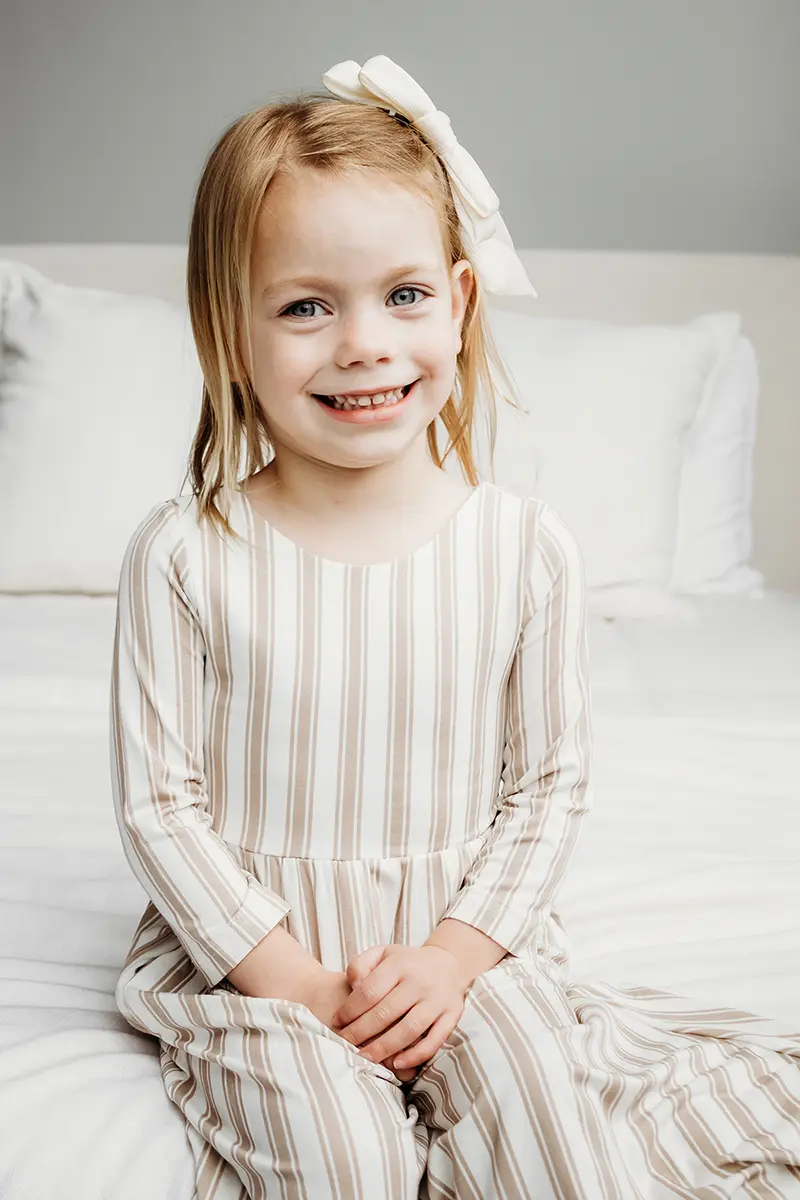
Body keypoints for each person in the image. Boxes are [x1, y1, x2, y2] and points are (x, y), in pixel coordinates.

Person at [110, 54, 800, 1200]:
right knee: (341, 1161)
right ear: (229, 334)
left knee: (549, 1144)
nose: (364, 342)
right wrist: (295, 983)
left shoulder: (522, 548)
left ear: (462, 302)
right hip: (253, 964)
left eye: (404, 295)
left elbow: (546, 788)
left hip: (464, 945)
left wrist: (449, 959)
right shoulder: (185, 553)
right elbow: (158, 807)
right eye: (304, 307)